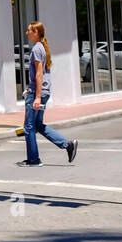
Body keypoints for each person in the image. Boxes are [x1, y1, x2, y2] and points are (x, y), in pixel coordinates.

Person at [20, 22, 77, 167]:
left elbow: (39, 73)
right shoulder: (40, 48)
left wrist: (37, 96)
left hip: (37, 93)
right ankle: (67, 145)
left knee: (29, 126)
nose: (27, 33)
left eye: (29, 31)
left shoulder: (37, 49)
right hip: (42, 91)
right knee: (37, 124)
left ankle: (34, 159)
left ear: (37, 32)